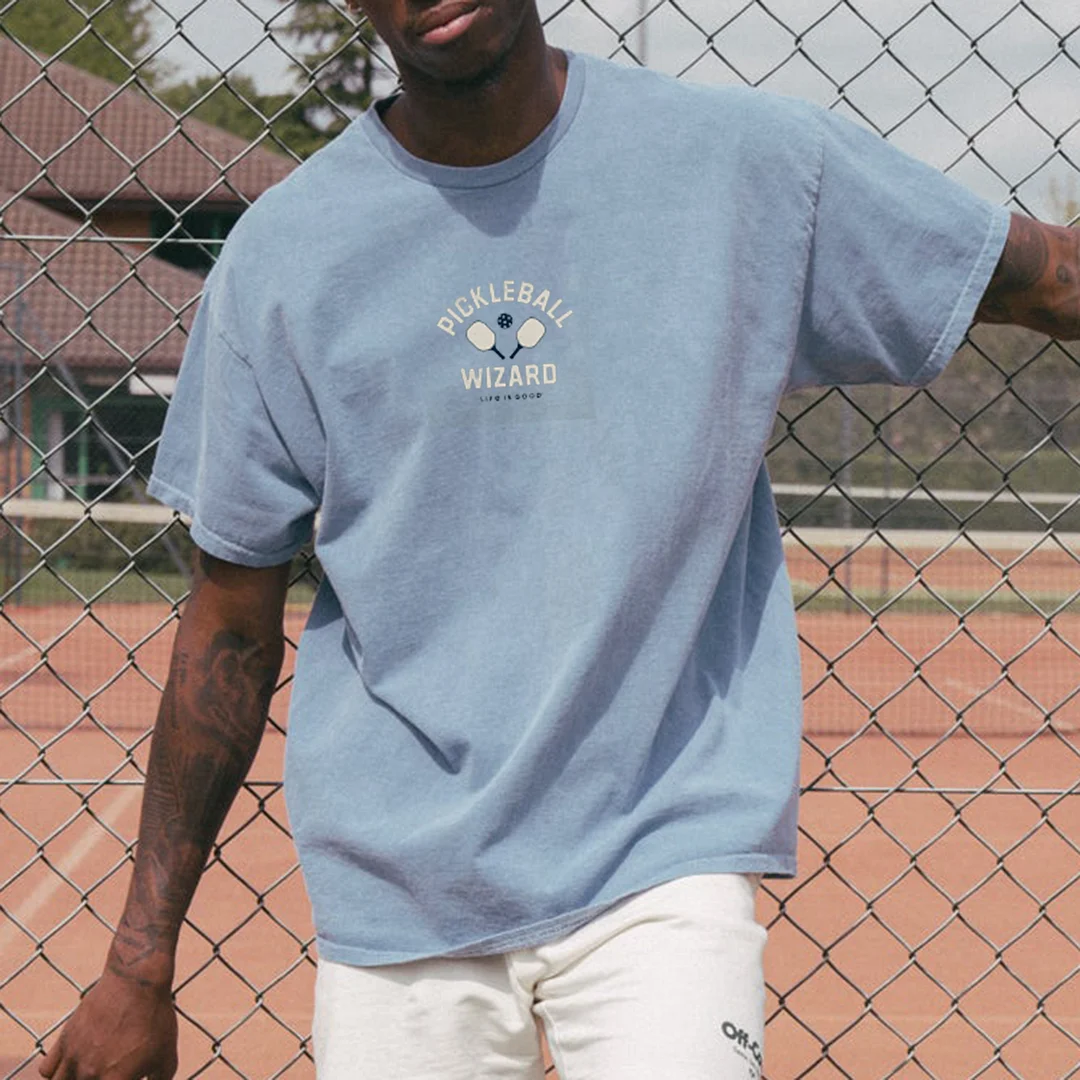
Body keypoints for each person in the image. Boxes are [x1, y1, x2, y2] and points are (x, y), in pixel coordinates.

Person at [39, 0, 1079, 1077]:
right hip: (402, 888)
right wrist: (137, 966)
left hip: (661, 852)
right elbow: (229, 626)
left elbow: (1048, 275)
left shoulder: (743, 166)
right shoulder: (286, 256)